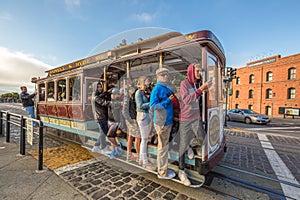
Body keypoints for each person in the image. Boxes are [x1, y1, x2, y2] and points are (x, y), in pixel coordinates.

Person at [177, 63, 211, 186]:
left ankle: (189, 145)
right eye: (197, 71)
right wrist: (200, 89)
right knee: (182, 144)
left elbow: (197, 97)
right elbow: (187, 100)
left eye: (200, 71)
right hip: (186, 118)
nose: (199, 73)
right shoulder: (184, 84)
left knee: (203, 138)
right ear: (191, 71)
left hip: (196, 117)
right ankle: (181, 170)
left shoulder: (196, 84)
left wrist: (203, 89)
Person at [150, 67, 176, 179]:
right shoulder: (157, 89)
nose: (166, 76)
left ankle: (163, 169)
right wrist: (168, 101)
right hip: (162, 123)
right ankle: (162, 172)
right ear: (158, 77)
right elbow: (153, 106)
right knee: (163, 148)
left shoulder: (166, 87)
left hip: (167, 121)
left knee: (164, 146)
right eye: (163, 75)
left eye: (167, 74)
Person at [135, 76, 156, 171]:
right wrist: (151, 103)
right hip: (142, 116)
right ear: (143, 82)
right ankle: (145, 162)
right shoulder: (138, 92)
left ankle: (141, 159)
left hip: (147, 116)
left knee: (145, 139)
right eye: (148, 81)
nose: (149, 83)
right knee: (144, 139)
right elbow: (140, 105)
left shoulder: (146, 92)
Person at [92, 82, 112, 155]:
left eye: (101, 86)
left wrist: (107, 92)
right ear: (95, 88)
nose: (100, 88)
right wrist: (116, 103)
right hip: (100, 117)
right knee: (103, 132)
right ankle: (103, 148)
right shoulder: (95, 96)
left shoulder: (97, 95)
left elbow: (102, 96)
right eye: (98, 87)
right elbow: (104, 102)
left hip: (101, 116)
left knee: (102, 133)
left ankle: (96, 147)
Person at [122, 84, 141, 162]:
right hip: (132, 120)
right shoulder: (127, 98)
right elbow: (124, 111)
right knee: (137, 136)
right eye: (130, 89)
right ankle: (138, 155)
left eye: (133, 89)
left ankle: (129, 154)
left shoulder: (131, 97)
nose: (132, 90)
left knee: (130, 136)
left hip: (131, 119)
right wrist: (130, 120)